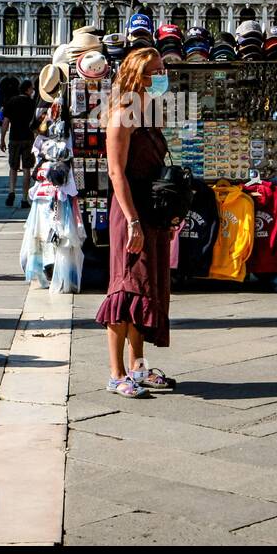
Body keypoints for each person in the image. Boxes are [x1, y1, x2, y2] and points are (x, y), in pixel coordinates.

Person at [95, 48, 176, 399]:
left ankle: (139, 366)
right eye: (153, 72)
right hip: (130, 210)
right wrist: (132, 222)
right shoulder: (121, 114)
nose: (161, 76)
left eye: (162, 70)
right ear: (135, 77)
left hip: (153, 209)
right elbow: (116, 173)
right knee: (125, 289)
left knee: (146, 289)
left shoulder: (152, 111)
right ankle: (116, 373)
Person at [1, 80, 37, 208]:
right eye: (31, 89)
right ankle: (24, 198)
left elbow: (5, 122)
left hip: (14, 138)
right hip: (28, 139)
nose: (33, 91)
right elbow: (36, 124)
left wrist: (2, 139)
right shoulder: (33, 103)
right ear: (27, 90)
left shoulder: (11, 102)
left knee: (13, 167)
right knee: (27, 169)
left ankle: (11, 192)